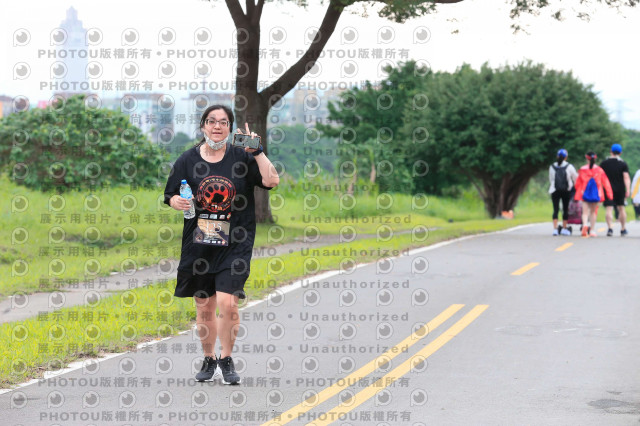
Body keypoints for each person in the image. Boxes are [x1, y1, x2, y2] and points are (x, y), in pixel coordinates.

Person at [163, 105, 279, 384]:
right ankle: (209, 358)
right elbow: (170, 195)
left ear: (230, 128)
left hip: (235, 242)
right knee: (204, 306)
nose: (217, 126)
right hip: (200, 242)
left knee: (228, 304)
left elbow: (272, 180)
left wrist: (258, 152)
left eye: (223, 122)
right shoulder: (187, 159)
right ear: (203, 126)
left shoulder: (242, 156)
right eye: (212, 121)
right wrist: (176, 201)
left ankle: (226, 359)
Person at [574, 151, 613, 237]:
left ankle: (585, 225)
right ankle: (592, 230)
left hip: (584, 193)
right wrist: (609, 194)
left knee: (585, 212)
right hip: (596, 194)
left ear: (586, 158)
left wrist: (577, 190)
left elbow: (577, 183)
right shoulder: (599, 170)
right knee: (593, 212)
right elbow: (606, 182)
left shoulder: (582, 169)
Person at [600, 143, 630, 236]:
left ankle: (610, 229)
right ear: (620, 153)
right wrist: (628, 189)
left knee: (609, 209)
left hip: (607, 189)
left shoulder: (604, 163)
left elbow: (599, 177)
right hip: (620, 189)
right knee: (621, 208)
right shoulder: (623, 164)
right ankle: (623, 229)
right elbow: (626, 177)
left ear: (611, 151)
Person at [548, 149, 578, 235]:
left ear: (557, 156)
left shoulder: (552, 166)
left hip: (554, 190)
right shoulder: (569, 166)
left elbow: (551, 179)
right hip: (566, 190)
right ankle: (564, 228)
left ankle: (555, 229)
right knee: (565, 209)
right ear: (566, 157)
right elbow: (575, 178)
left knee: (555, 209)